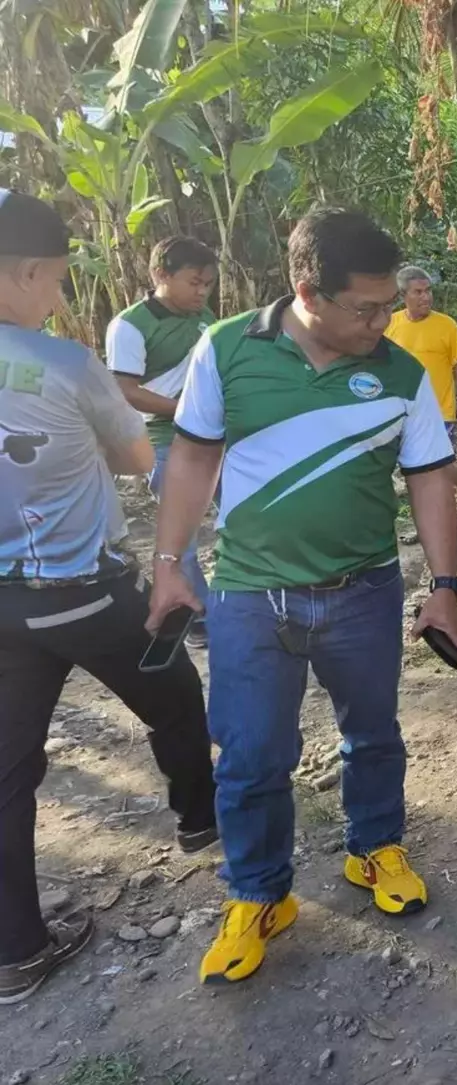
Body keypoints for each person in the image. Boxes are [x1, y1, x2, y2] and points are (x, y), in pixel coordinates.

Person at [146, 208, 457, 985]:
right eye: (366, 307)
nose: (384, 319)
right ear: (305, 292)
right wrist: (166, 562)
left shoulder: (398, 372)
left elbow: (429, 478)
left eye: (390, 303)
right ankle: (259, 894)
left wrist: (446, 586)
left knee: (375, 733)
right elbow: (191, 460)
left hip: (363, 591)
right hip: (252, 596)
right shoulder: (227, 350)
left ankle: (374, 849)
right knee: (251, 755)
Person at [0, 191, 216, 1004]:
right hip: (83, 590)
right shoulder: (64, 361)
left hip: (2, 608)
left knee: (7, 771)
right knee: (175, 698)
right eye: (54, 281)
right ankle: (200, 818)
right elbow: (133, 458)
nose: (57, 297)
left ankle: (15, 952)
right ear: (26, 273)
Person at [106, 236, 218, 647]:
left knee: (242, 516)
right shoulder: (130, 326)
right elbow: (125, 390)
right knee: (180, 535)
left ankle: (241, 603)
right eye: (194, 282)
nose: (202, 291)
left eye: (208, 283)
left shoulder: (203, 315)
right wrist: (186, 411)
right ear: (160, 275)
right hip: (166, 439)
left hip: (218, 436)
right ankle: (198, 617)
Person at [385, 266, 457, 524]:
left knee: (442, 465)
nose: (426, 297)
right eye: (418, 292)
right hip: (400, 411)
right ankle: (428, 522)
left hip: (440, 410)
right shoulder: (390, 324)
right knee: (415, 472)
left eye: (428, 291)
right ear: (404, 295)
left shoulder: (446, 325)